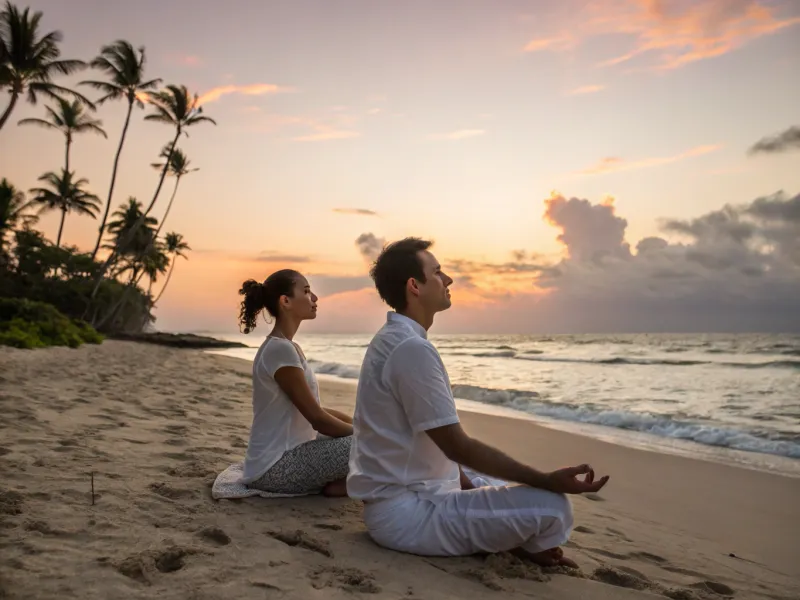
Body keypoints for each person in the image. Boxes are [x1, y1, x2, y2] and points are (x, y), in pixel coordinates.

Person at [347, 238, 609, 566]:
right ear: (415, 286)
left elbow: (440, 446)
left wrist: (473, 485)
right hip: (407, 516)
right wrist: (546, 479)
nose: (449, 280)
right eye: (438, 273)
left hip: (406, 497)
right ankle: (519, 544)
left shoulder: (396, 340)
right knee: (554, 506)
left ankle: (508, 536)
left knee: (491, 480)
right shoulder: (411, 349)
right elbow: (457, 447)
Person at [237, 269, 353, 497]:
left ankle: (343, 485)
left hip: (281, 458)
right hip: (276, 469)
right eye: (307, 292)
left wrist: (355, 424)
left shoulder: (284, 347)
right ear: (286, 301)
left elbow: (311, 410)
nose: (315, 298)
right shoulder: (280, 350)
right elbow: (317, 420)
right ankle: (348, 485)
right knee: (378, 444)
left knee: (362, 433)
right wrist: (365, 435)